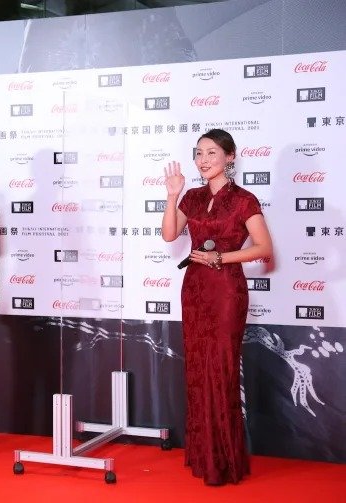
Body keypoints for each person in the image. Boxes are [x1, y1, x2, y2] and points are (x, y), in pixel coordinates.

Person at [161, 128, 273, 485]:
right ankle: (204, 456)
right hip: (194, 289)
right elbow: (168, 234)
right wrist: (172, 196)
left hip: (226, 292)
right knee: (197, 370)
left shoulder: (243, 200)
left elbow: (264, 248)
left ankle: (224, 460)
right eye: (199, 153)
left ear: (230, 157)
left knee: (220, 371)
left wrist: (220, 258)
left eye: (212, 152)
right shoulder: (192, 197)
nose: (203, 160)